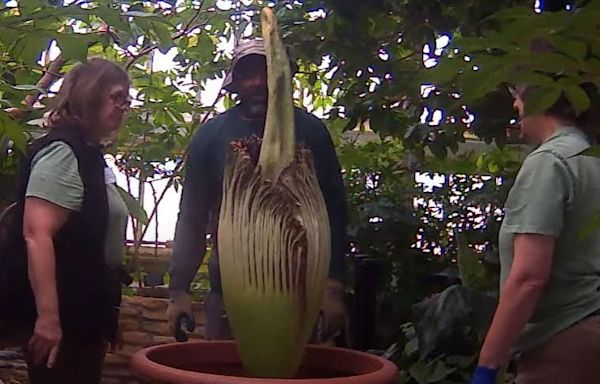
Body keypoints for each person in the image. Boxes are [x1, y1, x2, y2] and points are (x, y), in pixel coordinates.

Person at [167, 39, 348, 344]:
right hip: (231, 298)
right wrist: (178, 290)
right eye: (248, 74)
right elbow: (193, 218)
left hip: (303, 295)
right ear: (234, 82)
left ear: (283, 77)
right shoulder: (211, 137)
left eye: (267, 71)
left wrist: (332, 286)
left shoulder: (311, 132)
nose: (258, 82)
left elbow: (334, 211)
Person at [8, 58, 131, 384]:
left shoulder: (89, 155)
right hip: (63, 320)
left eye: (127, 100)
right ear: (90, 95)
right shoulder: (62, 152)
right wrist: (49, 319)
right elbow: (37, 234)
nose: (124, 107)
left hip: (83, 316)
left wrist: (107, 314)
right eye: (116, 97)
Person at [472, 83, 600, 384]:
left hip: (565, 341)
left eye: (518, 96)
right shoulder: (590, 157)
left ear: (542, 97)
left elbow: (529, 278)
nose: (515, 106)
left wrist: (487, 367)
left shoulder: (550, 163)